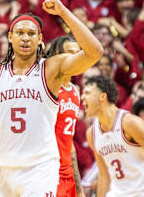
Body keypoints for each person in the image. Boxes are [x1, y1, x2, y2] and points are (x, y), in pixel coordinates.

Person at [0, 0, 104, 196]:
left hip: (40, 168)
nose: (25, 38)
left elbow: (95, 52)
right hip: (5, 168)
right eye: (20, 33)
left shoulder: (51, 69)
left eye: (31, 33)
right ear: (10, 37)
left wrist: (64, 12)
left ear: (40, 39)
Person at [82, 75, 144, 197]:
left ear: (102, 97)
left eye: (87, 93)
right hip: (118, 193)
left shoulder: (130, 123)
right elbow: (104, 175)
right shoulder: (91, 133)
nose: (82, 97)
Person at [46, 35, 85, 197]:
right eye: (70, 53)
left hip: (66, 168)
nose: (76, 58)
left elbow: (69, 142)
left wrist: (79, 186)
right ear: (57, 55)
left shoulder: (74, 90)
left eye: (78, 53)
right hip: (47, 167)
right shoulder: (46, 85)